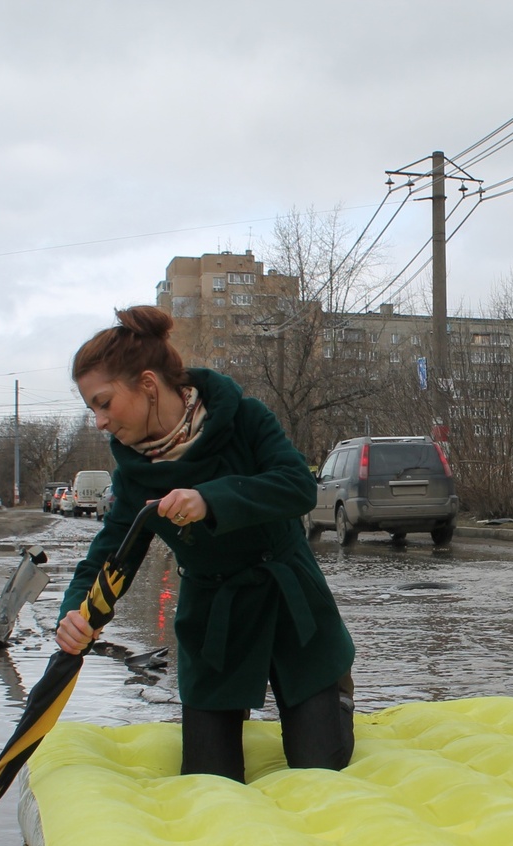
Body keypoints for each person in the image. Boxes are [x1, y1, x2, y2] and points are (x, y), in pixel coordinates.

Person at [55, 305, 355, 782]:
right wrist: (75, 613)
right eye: (92, 407)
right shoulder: (135, 474)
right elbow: (112, 553)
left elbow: (297, 485)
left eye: (104, 402)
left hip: (289, 602)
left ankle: (332, 691)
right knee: (209, 778)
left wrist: (209, 499)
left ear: (148, 385)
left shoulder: (243, 417)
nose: (99, 421)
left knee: (318, 763)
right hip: (215, 616)